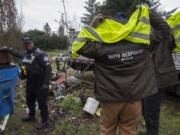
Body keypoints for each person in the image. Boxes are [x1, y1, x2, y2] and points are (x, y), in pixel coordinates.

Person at [72, 0, 158, 135]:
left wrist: (92, 26)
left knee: (107, 130)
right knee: (129, 130)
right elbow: (164, 31)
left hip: (110, 99)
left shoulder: (100, 47)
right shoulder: (143, 44)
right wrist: (147, 13)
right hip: (133, 98)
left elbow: (77, 45)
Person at [1, 36, 52, 129]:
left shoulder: (40, 54)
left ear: (32, 43)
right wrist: (7, 49)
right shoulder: (26, 54)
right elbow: (17, 54)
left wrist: (46, 83)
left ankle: (45, 122)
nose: (27, 45)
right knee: (29, 100)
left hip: (40, 83)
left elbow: (48, 69)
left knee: (42, 103)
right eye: (25, 44)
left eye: (28, 43)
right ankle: (32, 116)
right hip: (30, 82)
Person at [142, 11, 179, 135]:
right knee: (145, 109)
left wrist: (149, 12)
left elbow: (164, 29)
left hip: (158, 80)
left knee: (152, 111)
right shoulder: (145, 38)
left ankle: (152, 132)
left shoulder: (164, 37)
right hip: (145, 80)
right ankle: (149, 130)